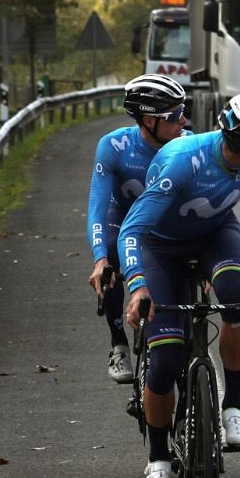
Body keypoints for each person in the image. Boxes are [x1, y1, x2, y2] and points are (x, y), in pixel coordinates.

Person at [119, 91, 240, 478]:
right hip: (160, 247)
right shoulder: (184, 160)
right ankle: (159, 459)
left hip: (216, 234)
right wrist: (137, 284)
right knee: (164, 357)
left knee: (236, 294)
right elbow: (132, 230)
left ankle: (232, 405)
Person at [86, 74, 190, 385]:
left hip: (169, 223)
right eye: (174, 115)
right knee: (111, 261)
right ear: (148, 120)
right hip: (123, 217)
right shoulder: (114, 146)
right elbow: (97, 206)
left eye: (184, 110)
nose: (183, 120)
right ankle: (119, 343)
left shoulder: (188, 143)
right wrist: (99, 258)